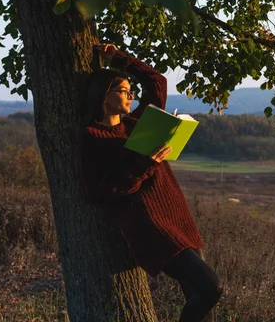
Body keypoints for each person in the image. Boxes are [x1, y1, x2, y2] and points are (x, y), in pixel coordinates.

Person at [81, 43, 223, 322]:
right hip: (150, 224)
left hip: (176, 214)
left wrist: (120, 58)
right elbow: (102, 191)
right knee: (211, 288)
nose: (131, 95)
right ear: (103, 95)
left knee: (200, 298)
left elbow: (157, 82)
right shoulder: (93, 137)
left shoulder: (136, 122)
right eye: (123, 90)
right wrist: (144, 164)